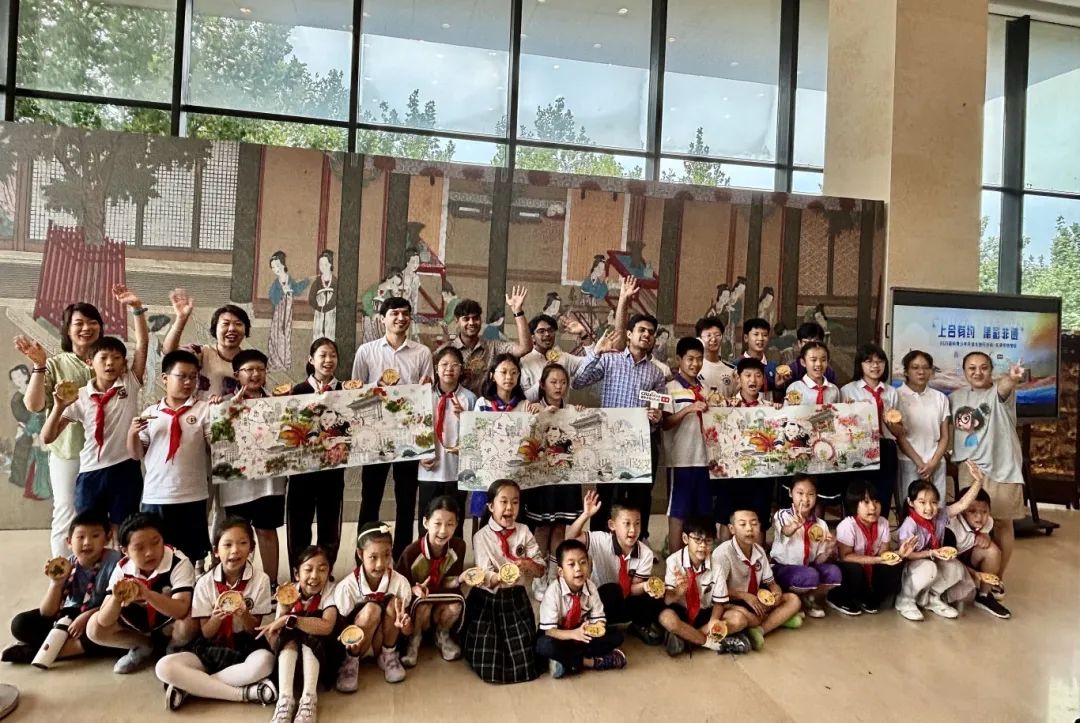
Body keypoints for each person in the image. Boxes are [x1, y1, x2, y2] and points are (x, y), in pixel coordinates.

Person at [42, 285, 148, 538]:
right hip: (90, 471)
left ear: (124, 364)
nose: (110, 363)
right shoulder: (79, 396)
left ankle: (121, 566)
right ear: (90, 362)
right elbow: (47, 437)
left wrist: (136, 308)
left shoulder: (129, 384)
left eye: (116, 358)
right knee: (89, 532)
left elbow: (143, 343)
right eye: (103, 358)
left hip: (125, 468)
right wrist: (59, 407)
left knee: (124, 531)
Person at [155, 517, 276, 710]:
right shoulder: (204, 582)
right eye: (227, 544)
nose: (235, 550)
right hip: (211, 646)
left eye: (242, 543)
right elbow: (206, 633)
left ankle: (192, 686)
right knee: (164, 667)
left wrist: (244, 614)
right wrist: (215, 618)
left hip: (245, 646)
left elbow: (253, 630)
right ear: (216, 551)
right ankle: (245, 694)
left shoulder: (261, 580)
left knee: (265, 663)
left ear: (252, 548)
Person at [15, 302, 104, 556]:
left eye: (92, 322)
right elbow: (34, 405)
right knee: (66, 511)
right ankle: (62, 571)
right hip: (68, 452)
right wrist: (39, 366)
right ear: (67, 329)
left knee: (101, 515)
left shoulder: (108, 361)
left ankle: (101, 572)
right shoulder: (55, 364)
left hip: (105, 453)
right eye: (79, 323)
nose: (86, 328)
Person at [572, 296, 665, 536]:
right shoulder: (610, 360)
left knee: (640, 496)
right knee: (606, 494)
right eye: (642, 330)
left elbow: (660, 410)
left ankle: (637, 543)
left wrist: (657, 417)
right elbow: (578, 381)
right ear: (630, 334)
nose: (646, 335)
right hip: (610, 440)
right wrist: (596, 352)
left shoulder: (656, 373)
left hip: (641, 443)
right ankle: (599, 542)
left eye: (651, 332)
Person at [350, 297, 433, 560]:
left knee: (406, 499)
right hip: (375, 436)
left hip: (408, 436)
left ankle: (402, 556)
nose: (400, 318)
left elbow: (427, 395)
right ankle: (364, 555)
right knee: (370, 496)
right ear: (382, 318)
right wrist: (375, 390)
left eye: (405, 313)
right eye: (394, 313)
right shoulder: (366, 351)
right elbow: (354, 393)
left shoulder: (422, 353)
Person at [949, 351, 1026, 597]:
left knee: (1002, 522)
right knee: (971, 523)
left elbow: (1005, 386)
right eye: (971, 368)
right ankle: (973, 576)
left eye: (983, 367)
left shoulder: (999, 393)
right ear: (964, 372)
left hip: (1003, 469)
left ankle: (996, 579)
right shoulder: (956, 397)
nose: (977, 372)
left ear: (991, 370)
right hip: (970, 470)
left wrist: (1012, 377)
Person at [127, 350, 212, 570]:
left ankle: (188, 589)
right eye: (182, 376)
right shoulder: (150, 413)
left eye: (193, 377)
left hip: (192, 494)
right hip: (157, 495)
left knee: (189, 555)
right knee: (156, 553)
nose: (188, 382)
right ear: (165, 378)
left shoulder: (204, 410)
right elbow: (136, 454)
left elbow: (214, 447)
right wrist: (132, 434)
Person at [2, 509, 120, 664]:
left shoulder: (115, 562)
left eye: (95, 536)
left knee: (103, 631)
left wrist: (86, 617)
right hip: (70, 614)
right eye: (80, 537)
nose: (87, 542)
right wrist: (56, 584)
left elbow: (118, 603)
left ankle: (39, 652)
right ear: (69, 542)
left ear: (107, 538)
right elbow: (47, 612)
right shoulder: (67, 564)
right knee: (20, 624)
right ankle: (60, 645)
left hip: (101, 615)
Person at [86, 512, 196, 674]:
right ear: (125, 551)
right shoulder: (122, 568)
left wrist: (147, 595)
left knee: (190, 621)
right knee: (94, 628)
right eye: (139, 548)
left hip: (168, 625)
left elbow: (181, 609)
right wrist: (117, 598)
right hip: (136, 625)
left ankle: (174, 648)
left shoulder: (179, 562)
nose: (149, 552)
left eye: (155, 543)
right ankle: (142, 646)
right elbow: (104, 620)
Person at [462, 479, 545, 684]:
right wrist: (501, 577)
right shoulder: (481, 536)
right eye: (504, 501)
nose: (509, 508)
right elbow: (484, 577)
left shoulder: (524, 531)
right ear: (491, 506)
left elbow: (540, 570)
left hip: (516, 600)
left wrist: (527, 564)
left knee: (525, 662)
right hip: (488, 601)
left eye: (515, 502)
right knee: (489, 663)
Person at [521, 363, 588, 603]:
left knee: (560, 526)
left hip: (566, 479)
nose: (558, 387)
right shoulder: (532, 408)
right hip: (542, 480)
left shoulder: (571, 411)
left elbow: (580, 444)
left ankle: (553, 572)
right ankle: (539, 574)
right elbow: (525, 442)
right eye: (553, 382)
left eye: (563, 382)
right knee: (542, 527)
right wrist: (537, 417)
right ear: (542, 384)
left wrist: (580, 416)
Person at [219, 349, 286, 584]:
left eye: (260, 369)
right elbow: (214, 440)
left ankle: (270, 583)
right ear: (237, 375)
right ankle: (237, 583)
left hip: (269, 483)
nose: (255, 374)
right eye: (249, 370)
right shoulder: (223, 405)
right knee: (237, 535)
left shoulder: (279, 403)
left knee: (267, 531)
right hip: (236, 485)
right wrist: (228, 411)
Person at [566, 491, 664, 646]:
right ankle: (597, 625)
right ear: (612, 525)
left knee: (658, 597)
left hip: (625, 602)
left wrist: (646, 586)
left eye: (637, 523)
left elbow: (632, 590)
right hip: (601, 602)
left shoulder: (646, 553)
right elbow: (570, 540)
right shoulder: (601, 540)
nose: (633, 530)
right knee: (612, 590)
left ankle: (638, 624)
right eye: (627, 524)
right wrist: (585, 515)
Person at [894, 463, 985, 622]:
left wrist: (978, 481)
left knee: (956, 567)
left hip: (933, 560)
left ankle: (932, 597)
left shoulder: (941, 515)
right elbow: (908, 555)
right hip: (913, 566)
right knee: (929, 567)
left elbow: (962, 504)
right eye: (922, 502)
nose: (929, 508)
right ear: (911, 502)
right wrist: (931, 553)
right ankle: (905, 600)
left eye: (934, 502)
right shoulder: (910, 524)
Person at [287, 338, 347, 572]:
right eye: (323, 355)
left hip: (333, 472)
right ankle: (298, 572)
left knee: (329, 524)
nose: (328, 360)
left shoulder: (346, 391)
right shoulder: (297, 392)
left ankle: (325, 571)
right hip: (301, 473)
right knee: (299, 523)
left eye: (332, 355)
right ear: (311, 360)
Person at [259, 545, 337, 723]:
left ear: (329, 572)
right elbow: (276, 635)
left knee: (310, 634)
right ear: (296, 574)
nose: (314, 576)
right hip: (292, 660)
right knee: (288, 636)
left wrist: (291, 619)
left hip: (321, 655)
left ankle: (309, 700)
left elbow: (326, 626)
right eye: (308, 570)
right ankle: (285, 700)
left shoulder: (331, 591)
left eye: (322, 569)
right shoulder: (288, 593)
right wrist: (284, 611)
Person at [332, 523, 414, 690]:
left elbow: (408, 631)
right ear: (360, 554)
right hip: (358, 644)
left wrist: (405, 626)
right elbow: (340, 626)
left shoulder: (400, 583)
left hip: (383, 640)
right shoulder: (347, 587)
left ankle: (389, 656)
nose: (380, 564)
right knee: (372, 609)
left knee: (394, 603)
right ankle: (351, 662)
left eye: (387, 555)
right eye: (373, 557)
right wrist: (349, 644)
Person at [709, 510, 802, 652]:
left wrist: (776, 592)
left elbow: (771, 583)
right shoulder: (723, 553)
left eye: (754, 524)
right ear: (732, 529)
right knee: (743, 619)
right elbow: (714, 590)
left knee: (793, 600)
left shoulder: (759, 550)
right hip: (729, 602)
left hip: (755, 599)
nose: (749, 529)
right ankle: (774, 620)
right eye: (743, 524)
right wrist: (744, 596)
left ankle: (759, 630)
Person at [536, 539, 626, 678]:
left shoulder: (590, 587)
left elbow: (599, 618)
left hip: (582, 632)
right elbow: (550, 631)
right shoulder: (553, 592)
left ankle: (563, 661)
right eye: (571, 564)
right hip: (559, 634)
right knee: (544, 645)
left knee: (616, 637)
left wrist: (596, 628)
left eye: (583, 562)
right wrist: (573, 634)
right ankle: (590, 662)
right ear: (560, 571)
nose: (578, 568)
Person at [658, 517, 747, 656]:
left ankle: (686, 638)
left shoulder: (716, 566)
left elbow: (719, 602)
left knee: (739, 619)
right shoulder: (673, 561)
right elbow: (668, 601)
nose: (703, 546)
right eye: (697, 540)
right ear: (685, 538)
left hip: (704, 612)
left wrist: (714, 620)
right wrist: (678, 591)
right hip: (681, 612)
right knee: (666, 618)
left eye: (708, 541)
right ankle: (708, 642)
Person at [395, 495, 466, 665]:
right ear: (426, 522)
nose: (443, 531)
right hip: (419, 607)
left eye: (450, 524)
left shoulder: (458, 546)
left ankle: (442, 634)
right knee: (424, 603)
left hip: (441, 600)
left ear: (456, 525)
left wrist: (461, 579)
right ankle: (414, 639)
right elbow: (397, 585)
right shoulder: (411, 552)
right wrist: (413, 589)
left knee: (455, 605)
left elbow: (449, 583)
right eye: (437, 523)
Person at [826, 481, 914, 616]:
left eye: (876, 501)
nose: (873, 507)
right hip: (849, 570)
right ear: (855, 505)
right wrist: (877, 560)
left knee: (893, 566)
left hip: (870, 567)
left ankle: (868, 597)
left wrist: (899, 553)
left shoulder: (883, 523)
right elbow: (845, 557)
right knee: (854, 569)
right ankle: (838, 597)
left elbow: (884, 553)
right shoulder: (847, 526)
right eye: (866, 502)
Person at [472, 353, 540, 522]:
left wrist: (540, 414)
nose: (509, 377)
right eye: (503, 372)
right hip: (489, 474)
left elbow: (531, 439)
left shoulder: (524, 406)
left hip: (515, 475)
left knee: (515, 522)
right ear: (492, 375)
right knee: (487, 524)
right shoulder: (482, 403)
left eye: (514, 372)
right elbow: (475, 437)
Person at [714, 357, 776, 544]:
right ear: (738, 378)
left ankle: (758, 559)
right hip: (731, 474)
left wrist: (780, 413)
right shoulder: (725, 406)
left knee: (759, 518)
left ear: (763, 380)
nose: (753, 380)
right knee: (727, 517)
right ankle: (723, 557)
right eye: (747, 375)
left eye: (758, 375)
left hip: (760, 474)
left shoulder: (770, 409)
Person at [840, 343, 903, 520]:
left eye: (880, 361)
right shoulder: (847, 390)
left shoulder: (891, 392)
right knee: (856, 497)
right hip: (857, 448)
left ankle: (880, 533)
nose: (875, 366)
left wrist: (890, 421)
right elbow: (839, 425)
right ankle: (854, 534)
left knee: (882, 496)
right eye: (869, 361)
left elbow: (899, 430)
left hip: (886, 447)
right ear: (860, 364)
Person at [417, 346, 475, 539]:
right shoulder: (424, 395)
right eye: (444, 364)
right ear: (436, 368)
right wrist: (419, 455)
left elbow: (477, 435)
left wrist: (465, 417)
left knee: (454, 523)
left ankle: (454, 556)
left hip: (457, 471)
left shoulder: (469, 398)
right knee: (427, 521)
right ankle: (425, 556)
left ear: (461, 368)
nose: (449, 369)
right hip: (428, 471)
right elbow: (412, 428)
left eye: (455, 365)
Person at [662, 337, 712, 552]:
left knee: (703, 512)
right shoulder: (669, 388)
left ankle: (699, 558)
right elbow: (665, 424)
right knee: (678, 512)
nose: (695, 364)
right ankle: (675, 560)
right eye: (690, 359)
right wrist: (688, 409)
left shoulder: (706, 388)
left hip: (706, 460)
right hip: (681, 460)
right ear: (679, 359)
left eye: (699, 359)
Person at [769, 475, 841, 618]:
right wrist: (793, 527)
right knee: (809, 575)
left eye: (811, 494)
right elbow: (785, 531)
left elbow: (819, 560)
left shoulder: (820, 524)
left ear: (816, 496)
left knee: (834, 573)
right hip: (782, 568)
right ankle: (791, 599)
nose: (805, 499)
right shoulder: (782, 515)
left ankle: (808, 598)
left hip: (807, 568)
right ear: (790, 493)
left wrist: (828, 550)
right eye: (800, 493)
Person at [162, 290, 250, 397]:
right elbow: (169, 353)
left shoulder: (251, 360)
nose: (232, 329)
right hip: (200, 408)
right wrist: (181, 319)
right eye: (226, 324)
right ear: (215, 328)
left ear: (245, 329)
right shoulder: (201, 352)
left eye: (238, 324)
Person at [447, 287, 532, 396]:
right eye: (466, 319)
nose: (471, 323)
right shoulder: (447, 350)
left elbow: (525, 348)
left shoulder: (494, 347)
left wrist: (517, 311)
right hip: (457, 403)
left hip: (488, 405)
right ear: (456, 321)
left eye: (475, 318)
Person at [895, 350, 950, 507]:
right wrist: (919, 462)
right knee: (910, 507)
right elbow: (899, 436)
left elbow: (945, 436)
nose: (921, 372)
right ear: (906, 371)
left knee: (937, 508)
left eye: (926, 368)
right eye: (915, 367)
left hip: (936, 462)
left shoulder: (940, 398)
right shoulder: (896, 396)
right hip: (908, 461)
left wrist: (933, 463)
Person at [947, 485, 1011, 618]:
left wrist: (985, 535)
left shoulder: (987, 522)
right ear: (961, 510)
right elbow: (948, 557)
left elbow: (987, 526)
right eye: (972, 511)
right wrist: (974, 573)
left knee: (992, 551)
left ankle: (984, 595)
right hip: (949, 562)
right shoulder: (952, 526)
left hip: (967, 557)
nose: (979, 517)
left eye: (984, 512)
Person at [519, 313, 597, 401]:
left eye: (550, 330)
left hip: (563, 409)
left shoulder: (563, 358)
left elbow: (592, 363)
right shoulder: (525, 361)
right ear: (532, 337)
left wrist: (583, 334)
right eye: (541, 331)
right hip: (535, 410)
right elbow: (525, 398)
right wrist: (545, 376)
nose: (547, 334)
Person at [267, 251, 310, 371]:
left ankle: (285, 361)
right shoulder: (276, 283)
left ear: (283, 264)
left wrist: (304, 283)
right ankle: (276, 361)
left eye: (277, 266)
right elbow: (272, 297)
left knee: (286, 334)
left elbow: (297, 290)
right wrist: (282, 291)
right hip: (278, 312)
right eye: (273, 267)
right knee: (276, 334)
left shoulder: (289, 279)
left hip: (288, 311)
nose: (276, 269)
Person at [777, 322, 837, 389]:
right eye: (806, 342)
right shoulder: (792, 369)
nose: (810, 347)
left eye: (815, 342)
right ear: (799, 343)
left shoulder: (828, 371)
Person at [738, 318, 778, 395]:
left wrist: (778, 386)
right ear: (746, 338)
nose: (761, 338)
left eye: (765, 335)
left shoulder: (773, 367)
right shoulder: (735, 365)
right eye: (756, 334)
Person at [310, 249, 337, 341]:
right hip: (319, 314)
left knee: (330, 336)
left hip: (331, 313)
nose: (322, 267)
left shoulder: (335, 282)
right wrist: (319, 307)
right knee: (318, 336)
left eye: (325, 264)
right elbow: (311, 298)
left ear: (330, 264)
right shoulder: (317, 282)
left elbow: (336, 298)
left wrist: (327, 307)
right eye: (320, 264)